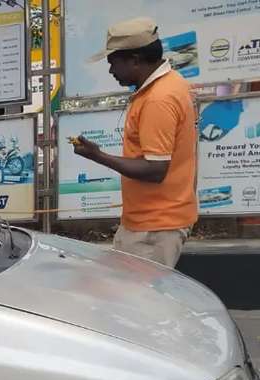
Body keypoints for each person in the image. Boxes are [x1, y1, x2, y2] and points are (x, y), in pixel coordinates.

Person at [72, 18, 197, 268]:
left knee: (140, 303)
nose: (111, 72)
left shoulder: (158, 99)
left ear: (135, 60)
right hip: (153, 222)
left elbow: (155, 170)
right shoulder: (171, 84)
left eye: (113, 64)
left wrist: (98, 156)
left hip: (154, 228)